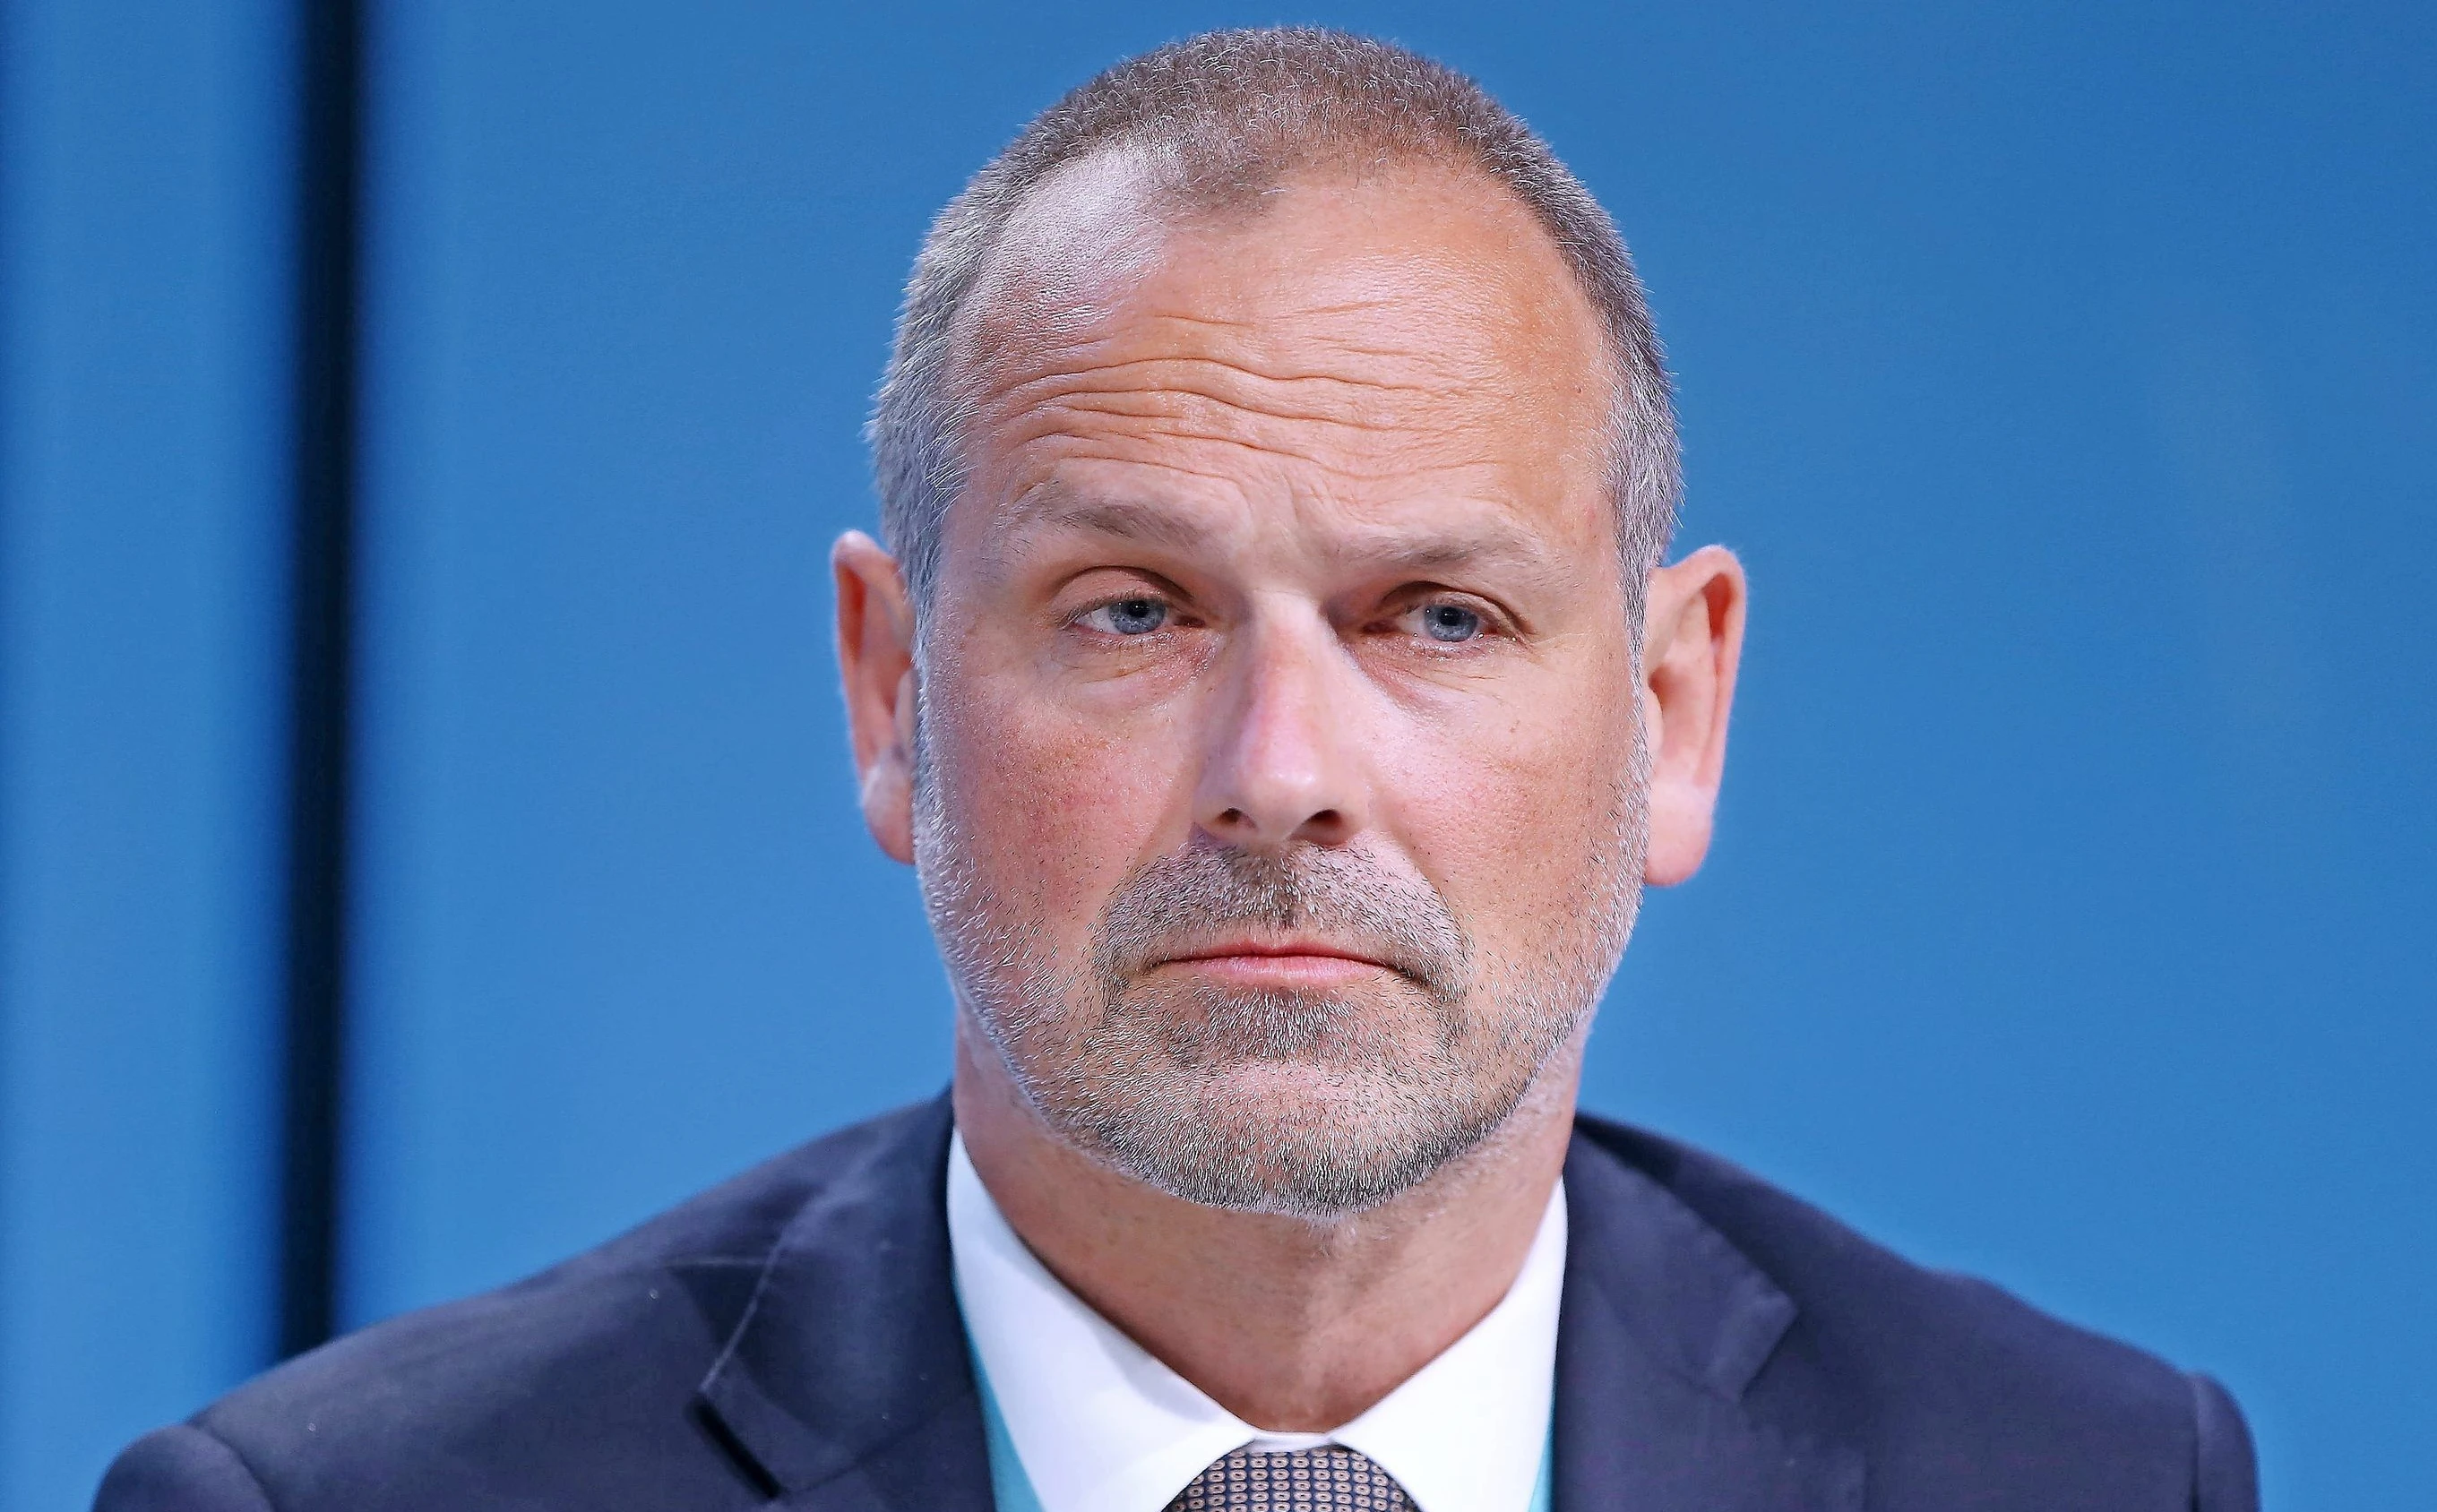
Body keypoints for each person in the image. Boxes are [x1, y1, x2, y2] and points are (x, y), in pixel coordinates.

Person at [97, 28, 2256, 1512]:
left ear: (1675, 715)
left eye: (1439, 617)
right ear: (891, 693)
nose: (1281, 771)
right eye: (1133, 611)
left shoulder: (2079, 1478)